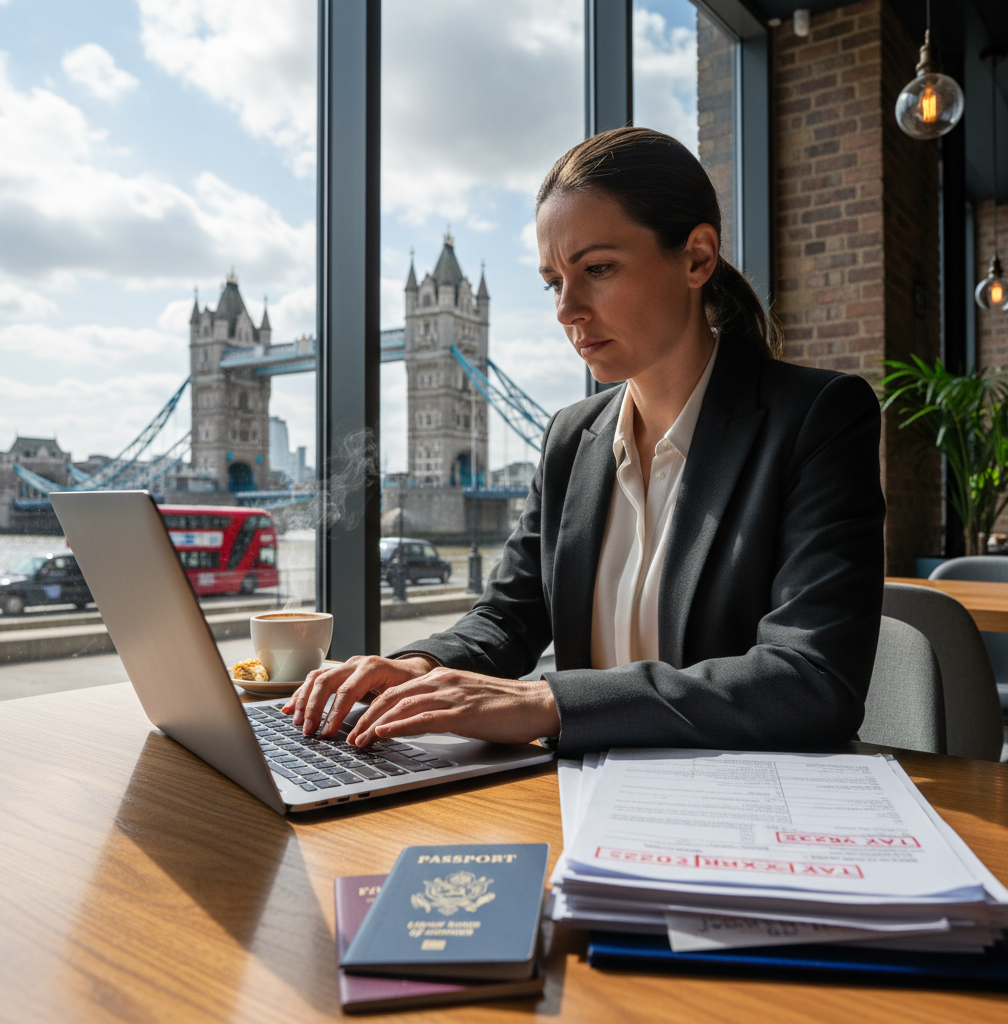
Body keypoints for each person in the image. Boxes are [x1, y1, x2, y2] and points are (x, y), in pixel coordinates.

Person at [284, 127, 885, 758]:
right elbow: (508, 618)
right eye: (553, 281)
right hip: (583, 804)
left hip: (743, 814)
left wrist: (551, 702)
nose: (567, 308)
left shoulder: (819, 417)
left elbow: (812, 681)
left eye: (597, 269)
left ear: (697, 258)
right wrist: (416, 665)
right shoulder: (571, 437)